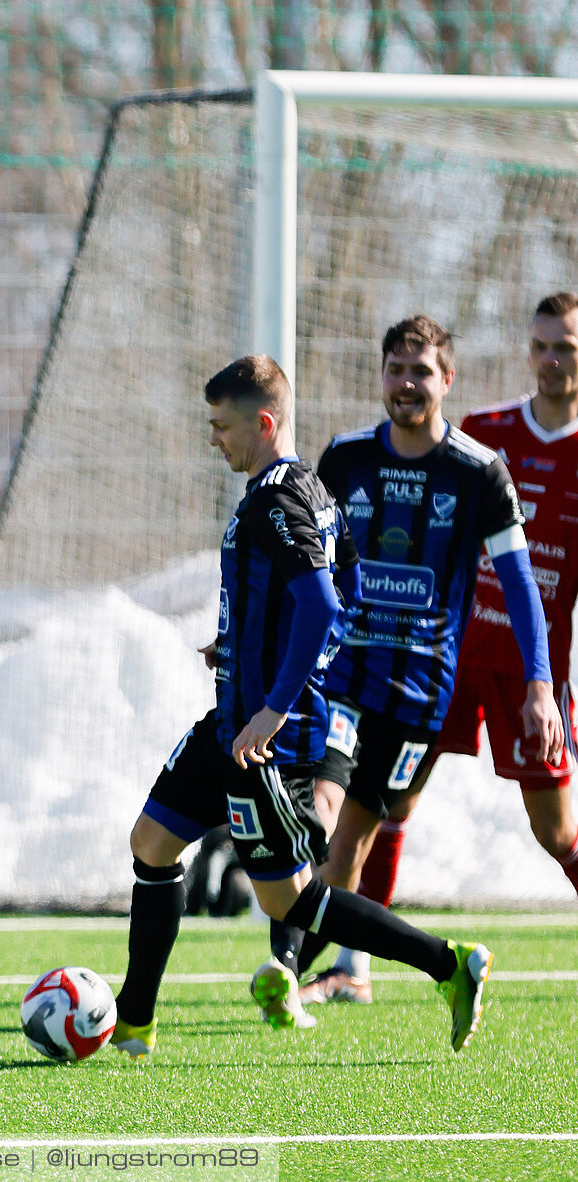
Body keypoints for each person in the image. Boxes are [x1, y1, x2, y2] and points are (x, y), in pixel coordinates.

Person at [110, 354, 494, 1060]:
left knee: (288, 901)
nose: (213, 438)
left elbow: (320, 605)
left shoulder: (276, 499)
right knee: (151, 844)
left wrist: (277, 705)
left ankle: (448, 963)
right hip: (233, 719)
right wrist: (239, 644)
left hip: (263, 738)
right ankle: (132, 1023)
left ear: (263, 422)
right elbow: (338, 588)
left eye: (222, 426)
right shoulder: (312, 491)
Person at [304, 295, 578, 1005]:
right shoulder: (468, 438)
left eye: (567, 347)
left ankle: (343, 957)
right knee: (364, 814)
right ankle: (340, 965)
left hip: (486, 673)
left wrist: (544, 683)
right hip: (393, 670)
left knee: (557, 833)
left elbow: (522, 581)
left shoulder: (482, 464)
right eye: (543, 345)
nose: (554, 359)